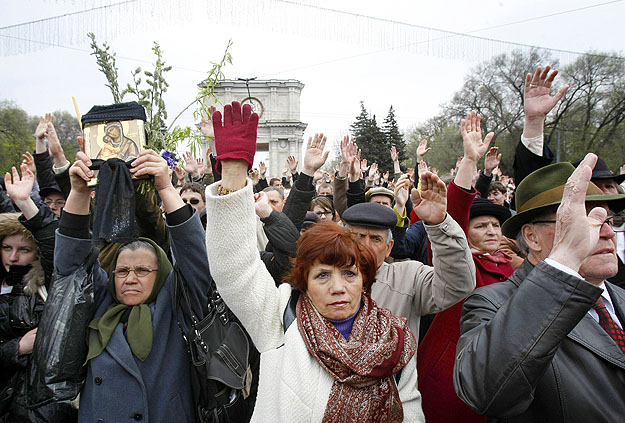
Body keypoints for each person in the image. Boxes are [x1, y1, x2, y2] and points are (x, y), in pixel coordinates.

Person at [205, 101, 419, 421]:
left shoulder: (396, 339)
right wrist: (234, 174)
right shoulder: (280, 318)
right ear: (303, 281)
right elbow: (235, 268)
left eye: (349, 273)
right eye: (322, 276)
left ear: (365, 280)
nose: (338, 288)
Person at [454, 154, 625, 422]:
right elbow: (482, 390)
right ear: (532, 237)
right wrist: (566, 258)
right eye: (583, 222)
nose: (606, 233)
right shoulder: (493, 303)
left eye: (607, 220)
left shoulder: (620, 299)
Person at [54, 149, 212, 423]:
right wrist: (79, 193)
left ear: (161, 274)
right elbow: (70, 267)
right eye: (123, 270)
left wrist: (164, 186)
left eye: (142, 270)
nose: (130, 278)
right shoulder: (99, 305)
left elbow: (195, 256)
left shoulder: (174, 307)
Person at [417, 111, 514, 423]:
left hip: (507, 378)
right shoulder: (458, 262)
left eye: (495, 225)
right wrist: (469, 163)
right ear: (466, 233)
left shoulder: (520, 268)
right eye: (481, 225)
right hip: (452, 377)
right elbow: (451, 221)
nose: (490, 231)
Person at [1, 164, 75, 422]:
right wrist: (16, 348)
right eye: (6, 247)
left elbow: (55, 242)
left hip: (42, 407)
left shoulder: (51, 284)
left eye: (23, 249)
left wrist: (25, 204)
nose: (13, 256)